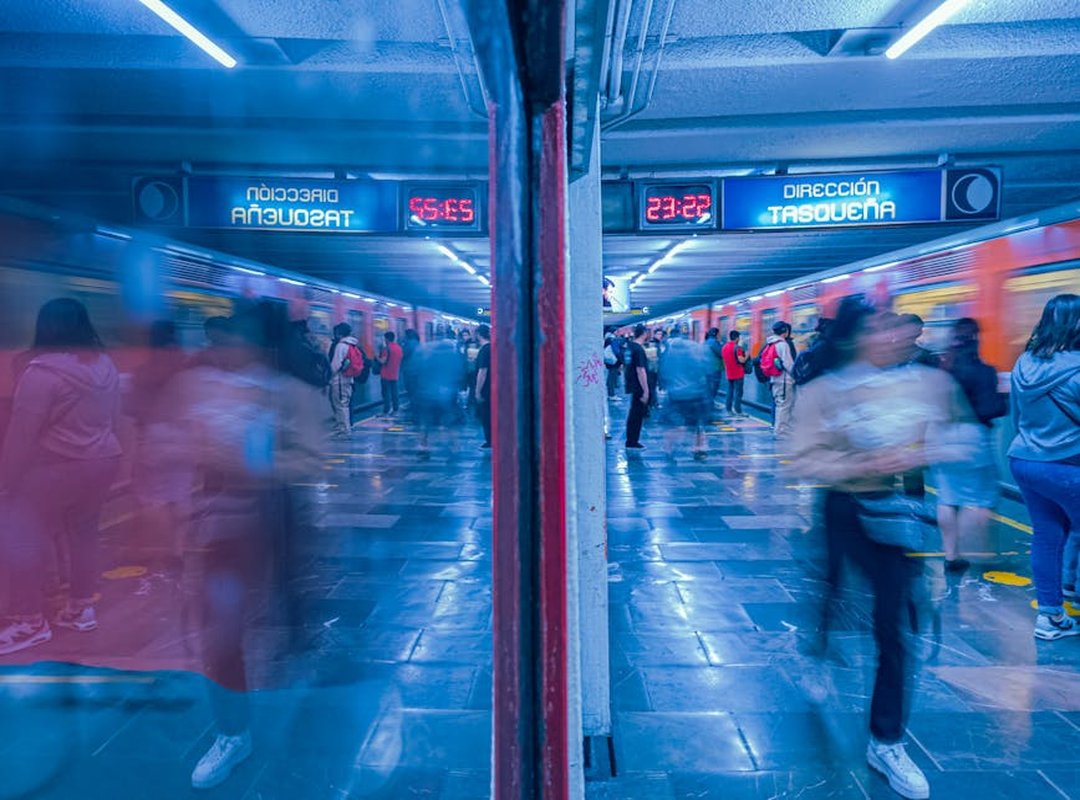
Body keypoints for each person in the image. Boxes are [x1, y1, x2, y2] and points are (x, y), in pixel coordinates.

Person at [789, 296, 974, 800]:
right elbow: (801, 459)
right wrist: (861, 465)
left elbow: (963, 436)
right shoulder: (824, 392)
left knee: (895, 628)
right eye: (879, 327)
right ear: (854, 336)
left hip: (897, 514)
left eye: (893, 326)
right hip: (846, 508)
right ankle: (818, 650)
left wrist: (929, 448)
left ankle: (885, 741)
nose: (892, 335)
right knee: (831, 585)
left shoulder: (925, 381)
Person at [0, 299, 122, 655]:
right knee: (83, 535)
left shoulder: (42, 373)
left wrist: (6, 480)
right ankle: (81, 609)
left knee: (22, 540)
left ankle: (28, 622)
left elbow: (22, 434)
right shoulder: (105, 364)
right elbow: (115, 416)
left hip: (57, 466)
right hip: (103, 460)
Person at [1008, 293, 1080, 641]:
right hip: (1068, 466)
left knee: (1047, 536)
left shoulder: (1025, 363)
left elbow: (1017, 418)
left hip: (1025, 461)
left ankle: (1050, 617)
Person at [929, 318, 1008, 573]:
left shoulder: (941, 371)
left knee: (947, 496)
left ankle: (951, 555)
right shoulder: (985, 371)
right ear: (976, 340)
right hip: (973, 437)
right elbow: (990, 408)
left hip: (940, 435)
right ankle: (984, 552)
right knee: (983, 497)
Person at [659, 329, 711, 458]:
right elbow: (706, 368)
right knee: (698, 423)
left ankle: (668, 448)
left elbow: (663, 371)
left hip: (675, 393)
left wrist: (666, 385)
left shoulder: (668, 351)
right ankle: (699, 448)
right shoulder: (695, 348)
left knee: (673, 423)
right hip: (695, 393)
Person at [764, 321, 797, 436]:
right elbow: (788, 363)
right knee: (784, 406)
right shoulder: (783, 345)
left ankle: (780, 429)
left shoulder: (770, 343)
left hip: (775, 379)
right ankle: (781, 431)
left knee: (780, 405)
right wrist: (796, 374)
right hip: (784, 380)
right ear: (785, 331)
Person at [328, 322, 362, 436]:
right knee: (344, 405)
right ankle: (342, 428)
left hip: (339, 381)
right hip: (348, 379)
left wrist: (328, 376)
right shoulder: (352, 345)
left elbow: (335, 365)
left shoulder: (341, 346)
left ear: (338, 333)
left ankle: (344, 431)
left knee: (341, 406)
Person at [624, 324, 650, 450]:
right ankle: (632, 441)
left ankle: (631, 439)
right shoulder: (639, 349)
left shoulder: (630, 347)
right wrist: (646, 390)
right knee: (637, 414)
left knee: (633, 412)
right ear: (644, 333)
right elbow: (640, 370)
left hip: (631, 383)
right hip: (638, 385)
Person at [721, 330, 748, 416]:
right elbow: (741, 360)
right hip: (738, 373)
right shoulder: (737, 348)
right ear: (737, 338)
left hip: (729, 373)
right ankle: (738, 410)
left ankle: (729, 410)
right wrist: (747, 354)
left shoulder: (724, 347)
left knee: (730, 392)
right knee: (738, 393)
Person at [474, 324, 492, 449]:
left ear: (479, 334)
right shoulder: (492, 348)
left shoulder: (484, 350)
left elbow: (482, 371)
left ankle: (489, 440)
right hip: (493, 386)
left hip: (486, 388)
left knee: (486, 415)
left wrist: (477, 391)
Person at [378, 331, 403, 416]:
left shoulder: (386, 349)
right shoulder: (399, 348)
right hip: (395, 374)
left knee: (386, 393)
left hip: (385, 374)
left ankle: (386, 410)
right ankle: (396, 410)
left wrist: (376, 357)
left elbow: (383, 361)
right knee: (395, 393)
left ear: (387, 339)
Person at [704, 328, 724, 401]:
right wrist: (721, 343)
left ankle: (709, 402)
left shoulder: (706, 342)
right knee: (714, 386)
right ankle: (710, 403)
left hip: (707, 367)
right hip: (715, 368)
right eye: (719, 334)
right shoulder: (714, 343)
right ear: (715, 334)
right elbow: (722, 353)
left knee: (709, 386)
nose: (720, 335)